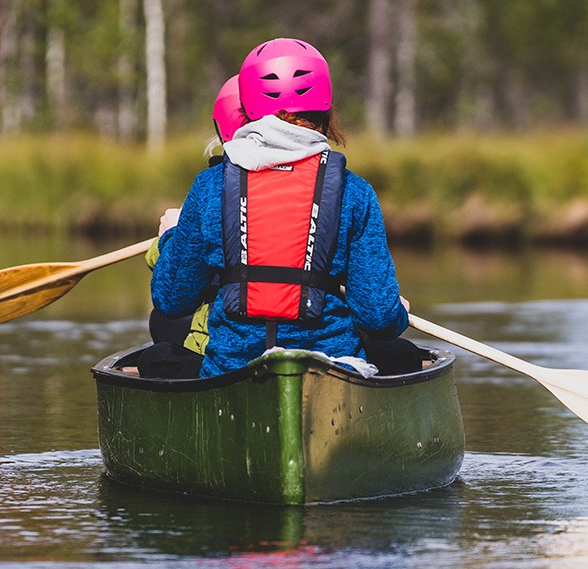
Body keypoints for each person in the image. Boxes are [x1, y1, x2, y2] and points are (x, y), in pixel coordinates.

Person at [151, 38, 420, 378]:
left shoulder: (209, 187)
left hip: (232, 368)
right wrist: (396, 312)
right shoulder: (355, 192)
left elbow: (171, 299)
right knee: (400, 353)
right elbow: (379, 318)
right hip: (330, 369)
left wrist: (171, 238)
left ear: (246, 109)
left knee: (158, 355)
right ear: (326, 109)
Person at [135, 75, 250, 379]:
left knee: (162, 326)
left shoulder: (211, 187)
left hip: (226, 351)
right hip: (315, 345)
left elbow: (172, 293)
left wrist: (169, 236)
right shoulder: (338, 188)